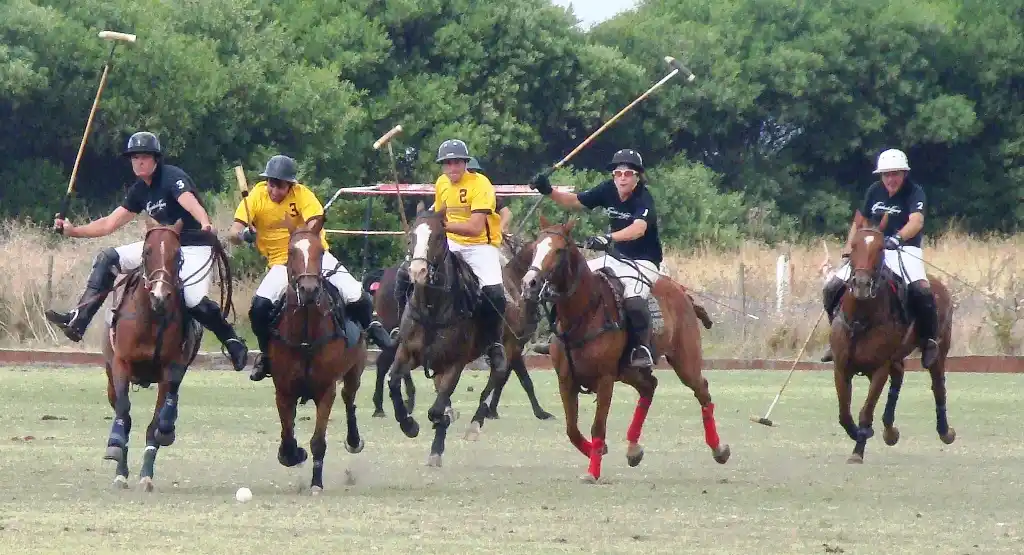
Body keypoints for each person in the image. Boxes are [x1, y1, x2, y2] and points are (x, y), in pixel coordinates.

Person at [45, 131, 249, 371]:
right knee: (108, 257)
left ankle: (232, 341)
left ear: (155, 159)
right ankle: (79, 318)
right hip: (161, 245)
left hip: (193, 245)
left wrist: (204, 221)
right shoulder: (139, 190)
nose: (138, 162)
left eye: (144, 157)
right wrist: (73, 230)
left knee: (193, 299)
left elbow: (188, 200)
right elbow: (110, 223)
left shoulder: (172, 177)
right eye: (134, 158)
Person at [229, 155, 395, 382]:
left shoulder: (302, 195)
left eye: (279, 185)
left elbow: (315, 221)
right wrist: (243, 235)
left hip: (314, 256)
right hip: (281, 263)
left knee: (356, 293)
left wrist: (299, 238)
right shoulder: (256, 196)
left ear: (290, 185)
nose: (274, 189)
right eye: (271, 183)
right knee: (259, 308)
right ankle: (267, 355)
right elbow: (232, 233)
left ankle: (373, 328)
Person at [528, 149, 662, 368]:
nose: (622, 178)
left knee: (634, 300)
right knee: (571, 280)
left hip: (644, 261)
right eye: (617, 173)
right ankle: (557, 336)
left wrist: (608, 238)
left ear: (638, 176)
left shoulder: (644, 198)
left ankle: (642, 347)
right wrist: (548, 190)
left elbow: (638, 229)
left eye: (628, 174)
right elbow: (574, 202)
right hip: (616, 257)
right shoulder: (607, 190)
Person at [818, 148, 940, 368]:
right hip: (871, 251)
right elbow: (859, 222)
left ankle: (928, 340)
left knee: (921, 290)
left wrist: (898, 238)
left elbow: (916, 222)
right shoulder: (874, 191)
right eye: (886, 174)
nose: (890, 179)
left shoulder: (915, 192)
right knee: (832, 287)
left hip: (904, 249)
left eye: (895, 174)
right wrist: (849, 248)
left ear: (904, 173)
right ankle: (836, 337)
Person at [395, 139, 508, 374]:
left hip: (480, 246)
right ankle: (402, 327)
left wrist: (442, 227)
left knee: (495, 293)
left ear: (465, 163)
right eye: (447, 164)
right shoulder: (442, 183)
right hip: (449, 242)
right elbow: (439, 212)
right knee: (404, 275)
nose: (452, 168)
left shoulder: (481, 185)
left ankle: (494, 343)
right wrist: (425, 223)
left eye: (457, 163)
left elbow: (476, 227)